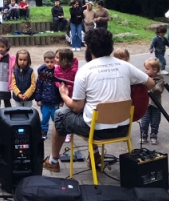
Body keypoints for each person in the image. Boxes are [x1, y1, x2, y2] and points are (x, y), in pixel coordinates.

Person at [43, 29, 155, 173]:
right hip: (123, 128)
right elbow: (151, 84)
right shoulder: (125, 65)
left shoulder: (85, 71)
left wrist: (64, 95)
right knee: (89, 112)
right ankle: (95, 156)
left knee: (61, 115)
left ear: (89, 48)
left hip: (96, 132)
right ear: (111, 46)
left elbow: (76, 107)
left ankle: (53, 161)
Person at [54, 48, 79, 143]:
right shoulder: (57, 68)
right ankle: (67, 131)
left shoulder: (74, 69)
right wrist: (60, 86)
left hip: (73, 95)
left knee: (72, 112)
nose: (56, 60)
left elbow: (76, 82)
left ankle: (70, 132)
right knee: (65, 113)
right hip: (64, 95)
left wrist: (68, 87)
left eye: (58, 58)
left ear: (64, 60)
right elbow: (56, 80)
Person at [140, 58, 165, 145]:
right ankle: (144, 134)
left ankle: (153, 135)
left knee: (155, 121)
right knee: (145, 120)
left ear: (155, 70)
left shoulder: (160, 79)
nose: (145, 71)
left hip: (156, 104)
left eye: (147, 69)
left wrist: (150, 84)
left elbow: (158, 90)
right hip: (146, 104)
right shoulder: (145, 78)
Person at [35, 51, 60, 139]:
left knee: (56, 118)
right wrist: (38, 99)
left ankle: (57, 132)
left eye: (52, 62)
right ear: (44, 62)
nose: (50, 64)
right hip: (44, 101)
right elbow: (39, 87)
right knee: (45, 117)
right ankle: (43, 131)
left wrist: (61, 100)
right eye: (47, 62)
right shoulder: (42, 73)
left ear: (55, 61)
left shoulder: (57, 72)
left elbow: (60, 87)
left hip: (55, 101)